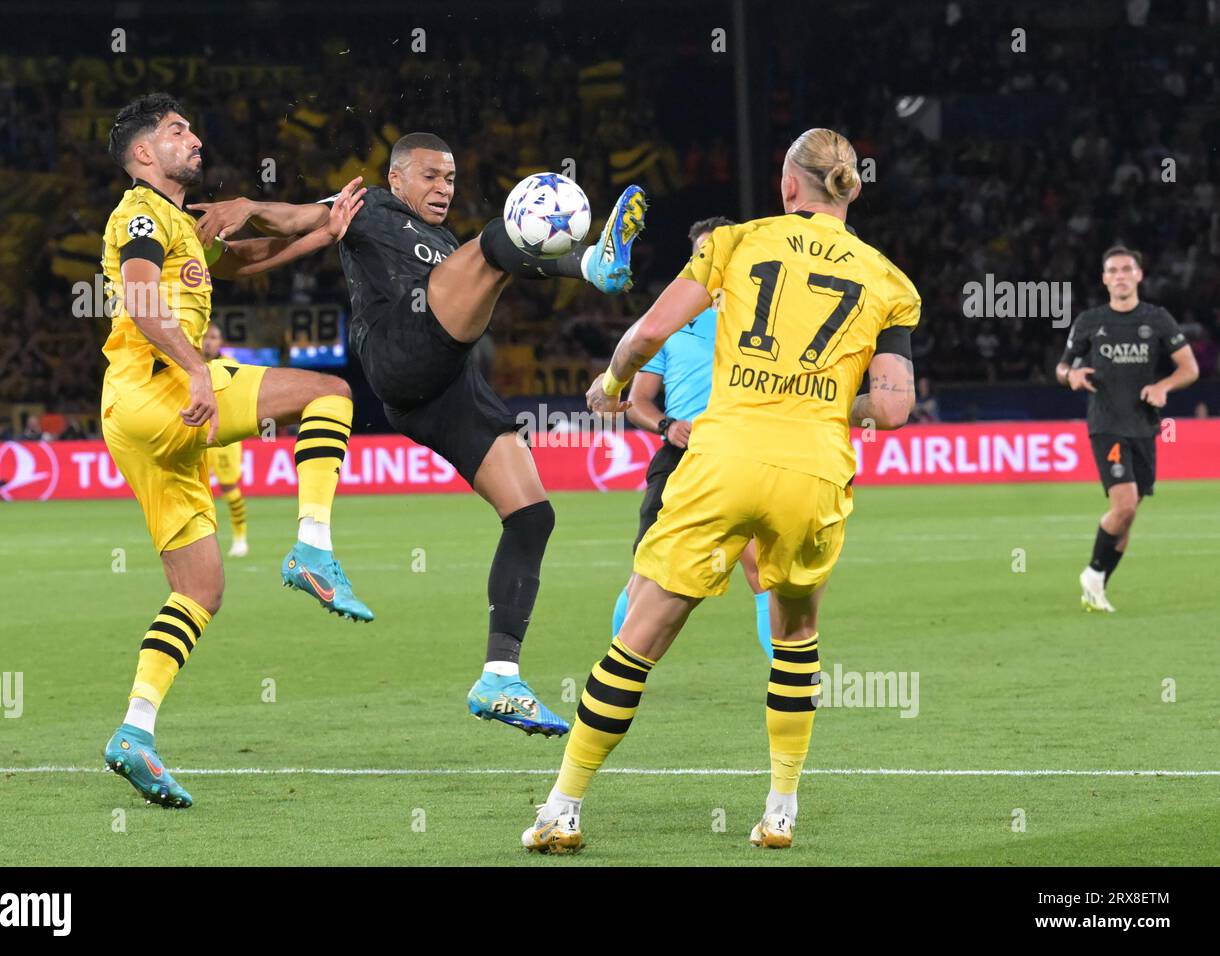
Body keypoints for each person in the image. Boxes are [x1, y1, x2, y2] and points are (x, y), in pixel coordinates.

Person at [521, 128, 920, 854]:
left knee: (641, 633)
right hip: (815, 468)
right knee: (796, 636)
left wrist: (612, 383)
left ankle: (562, 807)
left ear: (788, 184)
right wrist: (835, 405)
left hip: (724, 454)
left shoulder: (736, 242)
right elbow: (891, 408)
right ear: (851, 190)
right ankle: (780, 811)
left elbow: (646, 335)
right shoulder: (890, 280)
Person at [191, 136, 648, 737]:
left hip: (450, 387)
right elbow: (301, 218)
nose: (443, 188)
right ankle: (594, 264)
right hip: (400, 348)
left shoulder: (447, 248)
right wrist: (248, 204)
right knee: (495, 243)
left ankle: (500, 677)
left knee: (533, 515)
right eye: (430, 176)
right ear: (397, 178)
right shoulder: (373, 206)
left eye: (451, 179)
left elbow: (521, 256)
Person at [99, 93, 370, 809]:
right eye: (177, 131)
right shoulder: (138, 215)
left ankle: (135, 730)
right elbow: (139, 299)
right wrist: (195, 368)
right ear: (143, 154)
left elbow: (243, 259)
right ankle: (312, 545)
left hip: (139, 420)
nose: (195, 137)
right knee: (328, 393)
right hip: (159, 391)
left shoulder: (183, 225)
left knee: (199, 588)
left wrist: (325, 232)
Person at [613, 215, 774, 659]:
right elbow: (639, 401)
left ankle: (793, 678)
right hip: (683, 454)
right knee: (647, 572)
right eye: (701, 253)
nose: (710, 261)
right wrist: (667, 425)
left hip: (745, 454)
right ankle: (616, 669)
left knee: (762, 569)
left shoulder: (763, 320)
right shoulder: (670, 322)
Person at [1056, 246, 1198, 612]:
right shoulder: (1090, 321)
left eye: (1126, 269)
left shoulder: (1158, 319)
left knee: (1130, 512)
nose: (1119, 275)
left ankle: (1098, 580)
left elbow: (1189, 368)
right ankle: (1091, 574)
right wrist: (1070, 375)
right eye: (1112, 270)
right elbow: (1061, 368)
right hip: (1106, 424)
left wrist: (1163, 386)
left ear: (1138, 275)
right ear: (1105, 279)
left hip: (1144, 426)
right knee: (1123, 506)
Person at [201, 322, 249, 557]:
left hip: (224, 437)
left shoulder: (231, 365)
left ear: (221, 342)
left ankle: (240, 537)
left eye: (214, 337)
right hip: (196, 436)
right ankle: (200, 542)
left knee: (228, 487)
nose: (209, 341)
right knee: (195, 489)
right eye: (205, 336)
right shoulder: (191, 365)